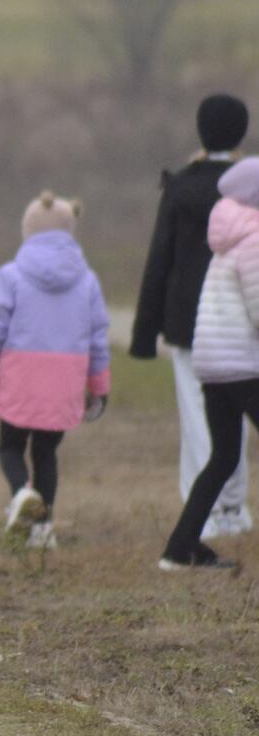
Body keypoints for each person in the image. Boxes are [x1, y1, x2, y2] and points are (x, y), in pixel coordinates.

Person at [132, 96, 252, 539]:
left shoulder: (181, 187)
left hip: (187, 323)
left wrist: (144, 335)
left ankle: (205, 516)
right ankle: (234, 510)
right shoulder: (251, 188)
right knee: (238, 420)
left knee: (197, 417)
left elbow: (159, 261)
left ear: (201, 130)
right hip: (243, 320)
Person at [0, 192, 111, 548]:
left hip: (21, 378)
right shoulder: (87, 281)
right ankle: (43, 528)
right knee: (46, 454)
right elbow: (98, 338)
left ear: (28, 230)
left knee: (10, 447)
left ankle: (21, 494)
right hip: (65, 383)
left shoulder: (11, 275)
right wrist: (99, 385)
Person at [159, 158, 259, 571]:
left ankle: (180, 549)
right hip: (245, 367)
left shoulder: (226, 239)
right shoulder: (253, 240)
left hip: (215, 366)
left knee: (223, 458)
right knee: (223, 457)